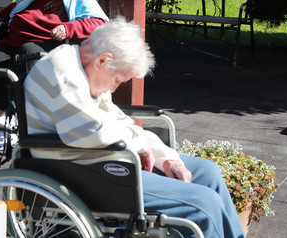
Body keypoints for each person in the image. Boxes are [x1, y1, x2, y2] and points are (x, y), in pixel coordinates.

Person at [24, 18, 246, 238]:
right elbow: (91, 131)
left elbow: (118, 122)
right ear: (103, 60)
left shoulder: (86, 68)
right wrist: (140, 146)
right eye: (119, 78)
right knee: (203, 204)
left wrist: (166, 157)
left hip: (111, 163)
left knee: (207, 173)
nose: (116, 86)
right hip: (83, 170)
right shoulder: (62, 73)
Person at [0, 0, 108, 151]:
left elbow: (99, 22)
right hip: (12, 41)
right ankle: (2, 125)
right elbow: (6, 14)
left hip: (44, 44)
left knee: (24, 58)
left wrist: (67, 28)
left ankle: (19, 122)